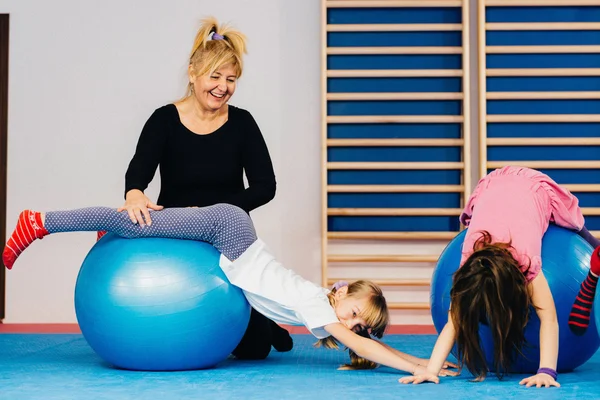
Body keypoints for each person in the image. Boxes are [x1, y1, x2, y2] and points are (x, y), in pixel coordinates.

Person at [3, 203, 459, 374]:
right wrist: (425, 365)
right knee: (129, 219)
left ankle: (114, 238)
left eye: (360, 322)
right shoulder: (316, 305)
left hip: (231, 234)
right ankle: (39, 223)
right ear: (339, 293)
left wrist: (423, 360)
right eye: (355, 311)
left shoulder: (320, 304)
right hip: (229, 230)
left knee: (143, 226)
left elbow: (364, 345)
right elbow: (364, 347)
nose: (353, 325)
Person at [115, 17, 283, 360]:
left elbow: (266, 186)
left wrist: (217, 213)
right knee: (173, 334)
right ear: (193, 73)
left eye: (231, 79)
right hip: (177, 236)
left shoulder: (243, 123)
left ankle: (265, 319)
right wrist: (134, 194)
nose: (223, 87)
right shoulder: (163, 119)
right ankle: (265, 315)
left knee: (255, 351)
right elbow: (139, 172)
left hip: (228, 237)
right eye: (215, 76)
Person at [399, 166, 600, 388]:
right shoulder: (469, 267)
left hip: (531, 187)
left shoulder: (526, 264)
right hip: (493, 185)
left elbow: (550, 319)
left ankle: (592, 241)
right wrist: (430, 371)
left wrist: (546, 372)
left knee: (573, 223)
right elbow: (453, 322)